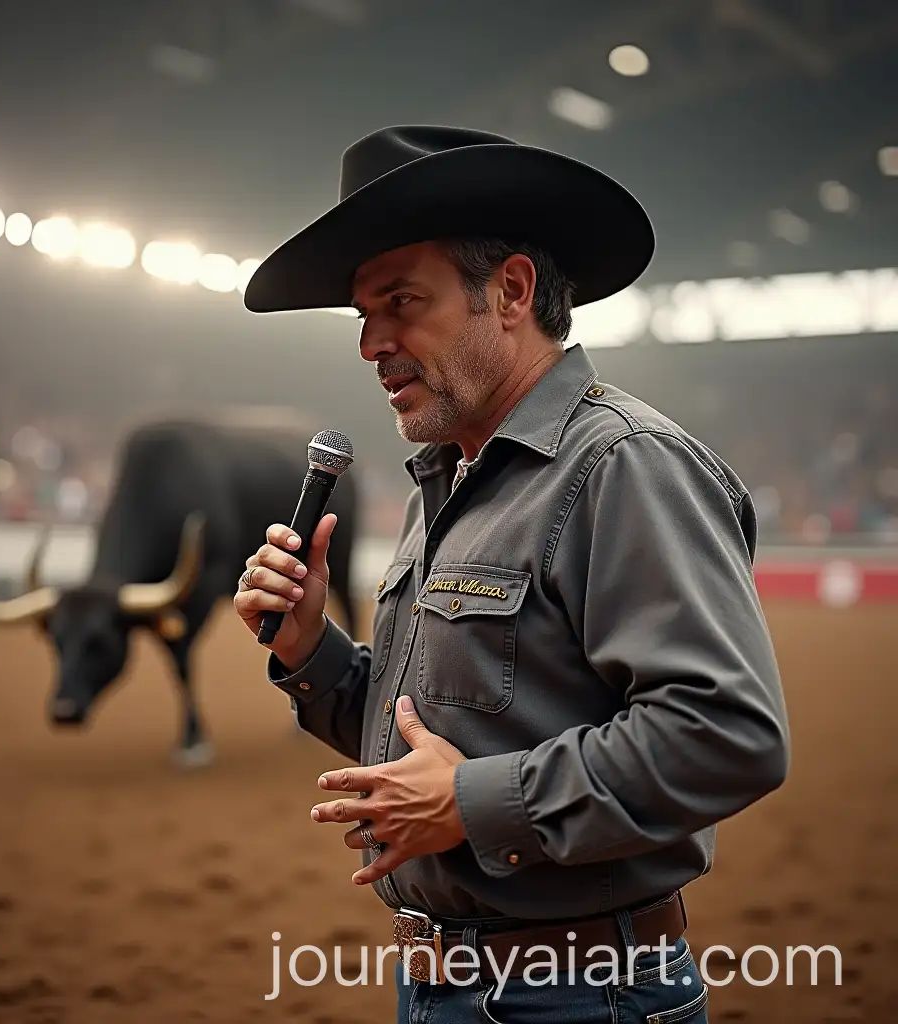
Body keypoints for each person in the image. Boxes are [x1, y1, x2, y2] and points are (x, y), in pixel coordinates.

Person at [234, 125, 789, 1023]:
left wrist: (472, 802)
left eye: (402, 302)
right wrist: (312, 651)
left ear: (513, 291)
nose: (372, 342)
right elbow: (439, 728)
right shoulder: (450, 477)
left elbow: (728, 734)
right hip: (449, 985)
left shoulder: (623, 465)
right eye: (364, 315)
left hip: (579, 998)